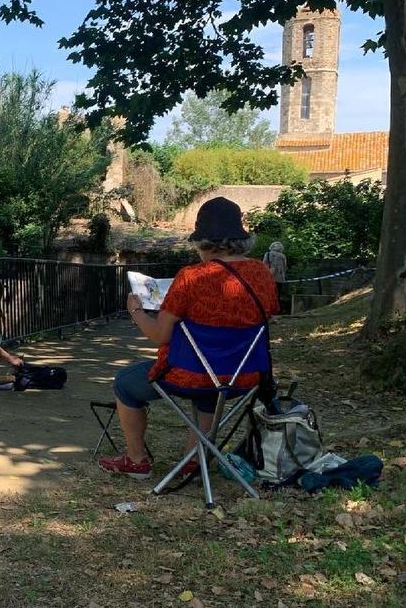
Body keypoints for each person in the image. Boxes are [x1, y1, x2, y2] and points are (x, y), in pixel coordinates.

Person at [98, 197, 278, 479]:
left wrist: (135, 311)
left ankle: (136, 460)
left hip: (191, 376)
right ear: (241, 239)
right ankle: (194, 459)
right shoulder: (263, 274)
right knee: (212, 384)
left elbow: (160, 336)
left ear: (203, 241)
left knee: (125, 384)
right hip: (246, 376)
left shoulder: (191, 277)